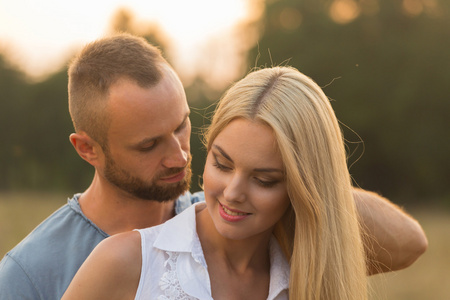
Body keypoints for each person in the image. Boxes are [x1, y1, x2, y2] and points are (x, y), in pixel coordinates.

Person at [0, 34, 427, 300]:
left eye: (182, 126)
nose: (180, 156)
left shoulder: (246, 224)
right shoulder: (29, 272)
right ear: (87, 149)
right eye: (149, 144)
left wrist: (306, 177)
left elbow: (408, 243)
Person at [62, 66, 381, 299]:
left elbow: (413, 242)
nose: (232, 193)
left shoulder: (310, 282)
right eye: (222, 164)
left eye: (264, 180)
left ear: (301, 189)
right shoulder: (124, 261)